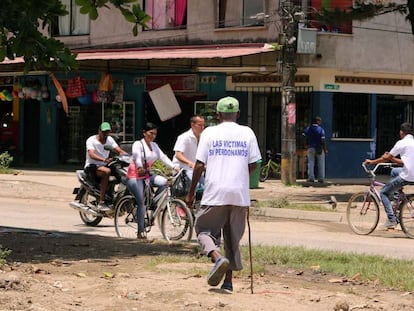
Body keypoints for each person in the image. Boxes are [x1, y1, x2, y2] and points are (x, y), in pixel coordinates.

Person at [185, 96, 261, 293]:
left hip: (215, 192)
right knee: (232, 237)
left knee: (203, 230)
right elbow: (253, 164)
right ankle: (228, 282)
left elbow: (200, 164)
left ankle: (217, 258)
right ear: (237, 114)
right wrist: (239, 178)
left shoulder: (209, 133)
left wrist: (191, 192)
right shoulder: (248, 132)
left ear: (218, 114)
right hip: (239, 194)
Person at [126, 122, 179, 239]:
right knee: (141, 203)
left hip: (147, 175)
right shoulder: (138, 144)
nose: (153, 136)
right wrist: (139, 167)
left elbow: (163, 157)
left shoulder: (154, 146)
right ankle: (141, 231)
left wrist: (174, 166)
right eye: (150, 133)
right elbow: (136, 156)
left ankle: (153, 204)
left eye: (155, 134)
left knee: (165, 182)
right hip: (135, 175)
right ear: (144, 132)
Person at [364, 122, 414, 229]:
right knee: (395, 171)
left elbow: (385, 158)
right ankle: (396, 201)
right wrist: (392, 159)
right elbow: (404, 162)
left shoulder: (401, 143)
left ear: (402, 132)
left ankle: (391, 219)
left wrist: (372, 162)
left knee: (384, 192)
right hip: (412, 172)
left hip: (408, 175)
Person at [84, 122, 128, 212]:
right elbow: (91, 154)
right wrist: (104, 160)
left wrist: (129, 157)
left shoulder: (110, 139)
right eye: (103, 132)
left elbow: (118, 150)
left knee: (122, 172)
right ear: (99, 131)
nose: (105, 134)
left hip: (105, 164)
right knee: (106, 171)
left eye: (107, 132)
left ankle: (118, 197)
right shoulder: (91, 140)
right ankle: (101, 201)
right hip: (92, 166)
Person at [172, 115, 205, 186]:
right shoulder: (184, 137)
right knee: (196, 186)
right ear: (192, 125)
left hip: (194, 170)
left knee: (206, 187)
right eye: (200, 125)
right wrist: (190, 163)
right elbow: (178, 154)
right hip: (183, 169)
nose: (202, 127)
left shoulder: (202, 138)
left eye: (203, 125)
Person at [303, 116, 327, 183]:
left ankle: (311, 178)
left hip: (310, 147)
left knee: (310, 163)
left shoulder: (308, 129)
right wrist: (325, 149)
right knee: (321, 163)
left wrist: (305, 144)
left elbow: (304, 137)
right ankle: (321, 178)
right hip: (319, 148)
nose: (320, 122)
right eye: (320, 121)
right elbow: (323, 140)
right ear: (317, 121)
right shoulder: (321, 129)